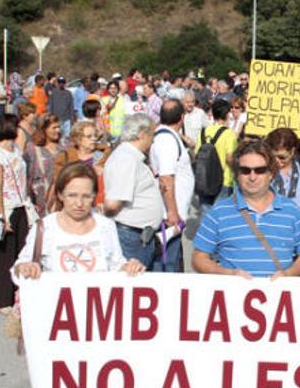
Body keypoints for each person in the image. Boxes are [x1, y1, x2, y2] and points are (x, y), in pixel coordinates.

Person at [192, 140, 300, 278]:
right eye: (245, 170)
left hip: (278, 291)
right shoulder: (218, 212)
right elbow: (198, 258)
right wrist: (228, 274)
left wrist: (288, 274)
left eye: (260, 170)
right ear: (237, 174)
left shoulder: (291, 210)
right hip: (234, 291)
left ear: (271, 173)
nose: (252, 177)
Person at [13, 162, 145, 280]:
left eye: (86, 196)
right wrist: (25, 268)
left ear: (94, 196)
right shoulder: (45, 227)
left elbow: (116, 265)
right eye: (72, 195)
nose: (79, 203)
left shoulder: (106, 225)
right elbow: (19, 267)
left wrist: (129, 268)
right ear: (60, 195)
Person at [103, 114, 165, 268]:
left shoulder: (131, 157)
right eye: (152, 135)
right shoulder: (126, 158)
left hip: (139, 235)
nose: (153, 140)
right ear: (142, 134)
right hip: (131, 236)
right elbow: (113, 204)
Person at [0, 114, 31, 314]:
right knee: (4, 254)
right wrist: (1, 216)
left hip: (22, 204)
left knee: (20, 251)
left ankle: (17, 293)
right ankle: (0, 299)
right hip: (8, 206)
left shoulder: (15, 149)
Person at [149, 99, 194, 272]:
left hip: (170, 211)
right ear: (181, 118)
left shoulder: (167, 137)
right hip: (168, 215)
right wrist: (172, 211)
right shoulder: (167, 140)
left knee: (172, 260)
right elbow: (166, 178)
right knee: (167, 263)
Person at [265, 128, 300, 220]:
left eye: (282, 157)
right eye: (272, 156)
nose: (276, 161)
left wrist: (283, 205)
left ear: (292, 151)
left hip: (299, 223)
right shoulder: (263, 170)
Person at [195, 100, 238, 208]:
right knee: (220, 213)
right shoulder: (229, 134)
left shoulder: (203, 132)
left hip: (204, 178)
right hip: (224, 180)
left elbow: (197, 154)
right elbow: (229, 158)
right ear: (227, 114)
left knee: (206, 213)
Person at [27, 115, 63, 217]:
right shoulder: (33, 148)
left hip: (62, 194)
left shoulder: (65, 145)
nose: (58, 130)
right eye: (54, 128)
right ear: (44, 129)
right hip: (41, 196)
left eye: (59, 127)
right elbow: (28, 175)